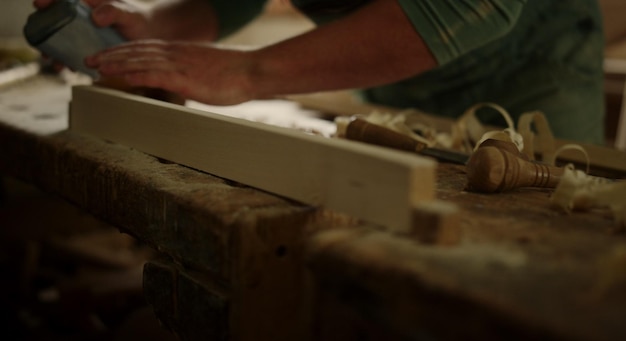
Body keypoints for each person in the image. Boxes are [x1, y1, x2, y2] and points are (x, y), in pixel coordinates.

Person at [33, 0, 606, 144]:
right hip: (400, 81)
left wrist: (250, 73)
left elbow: (465, 6)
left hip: (530, 79)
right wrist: (159, 26)